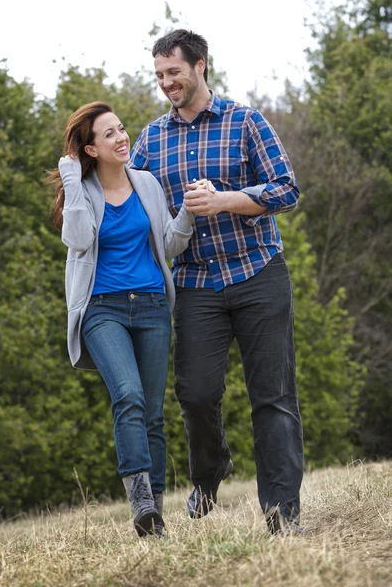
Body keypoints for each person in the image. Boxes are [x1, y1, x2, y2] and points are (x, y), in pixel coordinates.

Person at [129, 29, 304, 534]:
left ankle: (281, 514)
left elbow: (287, 189)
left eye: (174, 72)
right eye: (159, 74)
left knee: (271, 395)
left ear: (200, 65)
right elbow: (129, 200)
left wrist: (225, 199)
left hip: (257, 272)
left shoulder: (244, 120)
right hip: (195, 284)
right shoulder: (151, 139)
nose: (166, 83)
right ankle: (210, 474)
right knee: (198, 394)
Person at [46, 101, 202, 537]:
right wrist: (72, 181)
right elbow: (77, 239)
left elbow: (169, 245)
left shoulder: (147, 184)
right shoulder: (83, 188)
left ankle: (153, 516)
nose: (121, 137)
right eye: (109, 134)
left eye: (121, 129)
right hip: (102, 308)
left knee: (152, 413)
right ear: (91, 149)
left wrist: (188, 210)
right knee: (128, 396)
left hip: (152, 305)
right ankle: (140, 501)